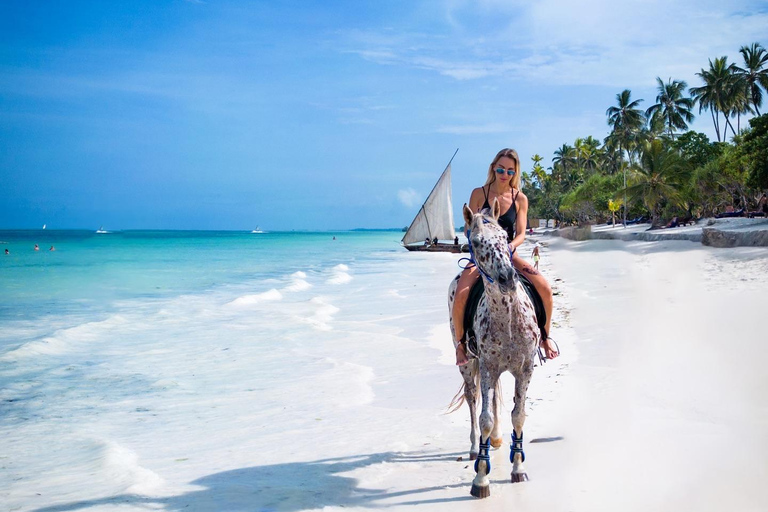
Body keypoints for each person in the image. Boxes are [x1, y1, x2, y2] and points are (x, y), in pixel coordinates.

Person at [452, 148, 558, 365]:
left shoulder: (520, 198)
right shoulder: (479, 193)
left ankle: (545, 338)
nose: (505, 174)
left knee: (545, 287)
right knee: (460, 294)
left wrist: (509, 247)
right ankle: (461, 345)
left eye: (510, 171)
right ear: (493, 168)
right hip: (481, 259)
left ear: (515, 172)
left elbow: (521, 234)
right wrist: (479, 235)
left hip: (510, 255)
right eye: (501, 169)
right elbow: (468, 228)